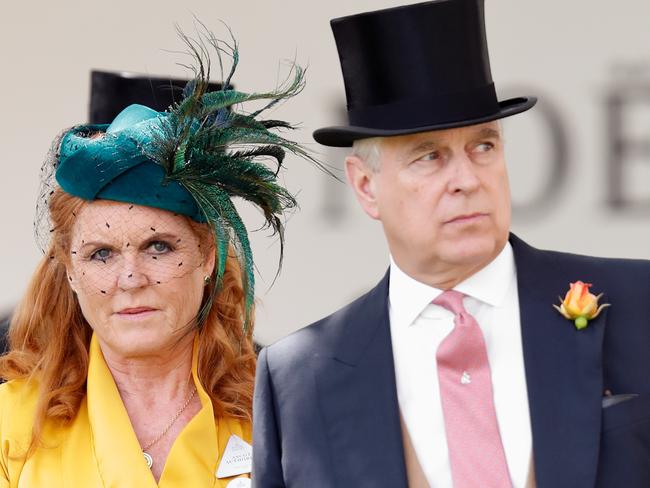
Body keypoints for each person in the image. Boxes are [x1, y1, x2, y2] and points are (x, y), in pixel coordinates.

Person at [252, 1, 650, 487]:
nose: (467, 178)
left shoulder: (639, 300)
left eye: (483, 146)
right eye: (429, 156)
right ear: (365, 187)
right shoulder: (297, 379)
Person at [0, 30, 313, 488]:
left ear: (208, 255)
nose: (130, 278)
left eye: (159, 247)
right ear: (68, 268)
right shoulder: (12, 428)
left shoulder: (282, 422)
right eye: (101, 254)